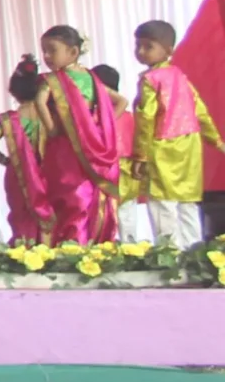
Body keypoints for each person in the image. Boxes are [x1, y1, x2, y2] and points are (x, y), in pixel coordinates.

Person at [133, 20, 222, 247]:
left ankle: (169, 255)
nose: (141, 51)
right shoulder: (180, 77)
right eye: (138, 46)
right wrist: (216, 141)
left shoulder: (150, 79)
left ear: (169, 50)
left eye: (148, 46)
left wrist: (140, 156)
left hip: (163, 146)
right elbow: (200, 111)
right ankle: (195, 252)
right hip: (189, 145)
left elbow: (146, 119)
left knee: (161, 202)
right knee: (187, 202)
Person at [33, 25, 124, 244]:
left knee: (70, 194)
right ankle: (89, 243)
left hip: (66, 146)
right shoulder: (92, 79)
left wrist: (52, 129)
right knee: (88, 194)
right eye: (44, 51)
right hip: (93, 145)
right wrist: (101, 126)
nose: (47, 56)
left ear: (73, 52)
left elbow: (39, 102)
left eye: (52, 50)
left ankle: (72, 244)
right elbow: (121, 101)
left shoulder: (51, 80)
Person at [0, 60, 53, 244]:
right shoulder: (47, 115)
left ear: (14, 91)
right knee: (46, 210)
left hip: (18, 171)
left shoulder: (9, 119)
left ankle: (24, 249)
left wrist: (1, 157)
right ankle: (46, 248)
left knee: (21, 213)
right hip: (44, 171)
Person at [93, 62, 153, 244]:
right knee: (127, 217)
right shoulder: (128, 117)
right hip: (127, 172)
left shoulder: (94, 118)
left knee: (104, 217)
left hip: (108, 172)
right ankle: (130, 250)